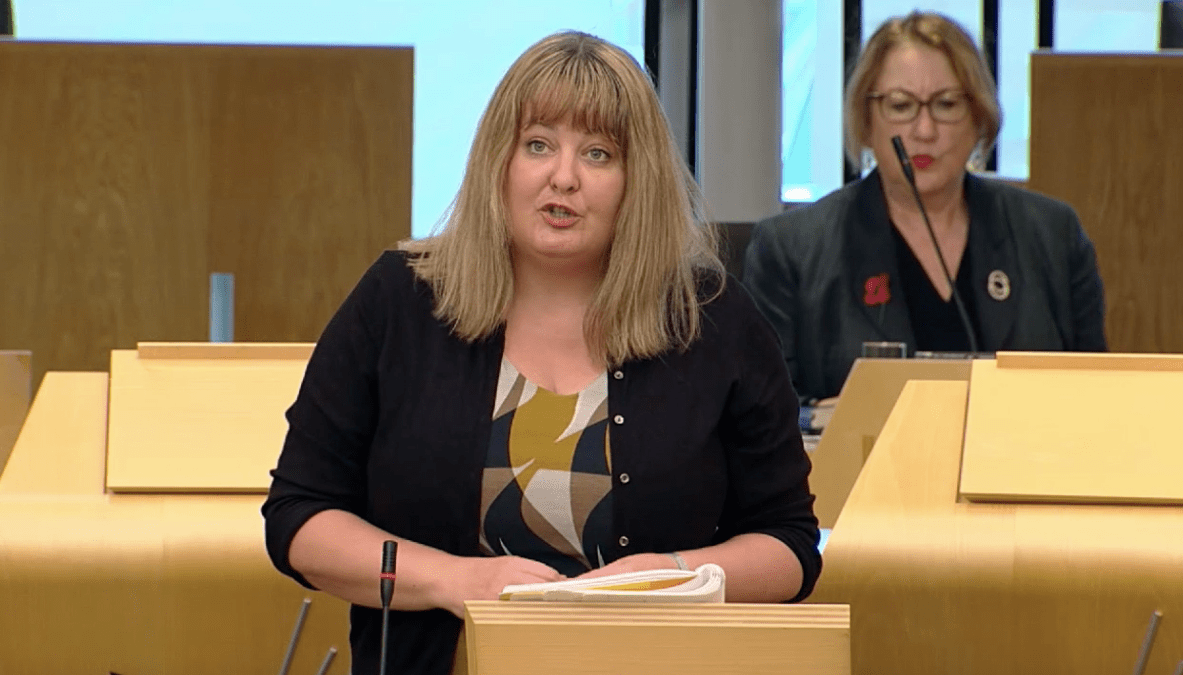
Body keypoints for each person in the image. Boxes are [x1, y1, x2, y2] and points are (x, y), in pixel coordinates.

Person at [262, 31, 821, 675]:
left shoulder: (711, 318)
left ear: (637, 180)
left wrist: (672, 575)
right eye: (538, 145)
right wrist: (453, 580)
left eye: (598, 154)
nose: (564, 176)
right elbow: (300, 517)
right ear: (498, 160)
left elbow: (790, 546)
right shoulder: (399, 302)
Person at [743, 11, 1107, 404]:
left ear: (978, 117)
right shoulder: (792, 250)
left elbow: (1095, 396)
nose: (924, 130)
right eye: (901, 106)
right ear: (866, 120)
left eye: (946, 105)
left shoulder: (1051, 234)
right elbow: (763, 416)